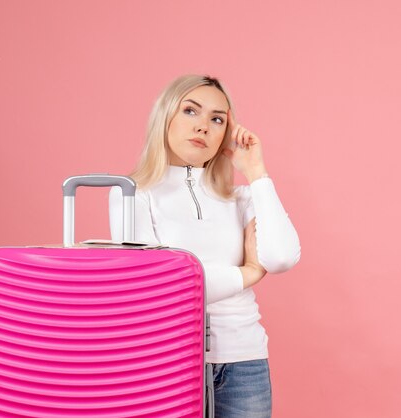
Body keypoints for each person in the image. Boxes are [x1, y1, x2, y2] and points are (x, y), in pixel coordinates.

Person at [109, 74, 301, 418]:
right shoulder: (131, 193)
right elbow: (161, 286)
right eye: (190, 111)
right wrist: (248, 273)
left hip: (245, 363)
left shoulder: (241, 197)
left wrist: (256, 171)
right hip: (169, 362)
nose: (203, 127)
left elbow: (283, 257)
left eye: (217, 119)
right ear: (165, 117)